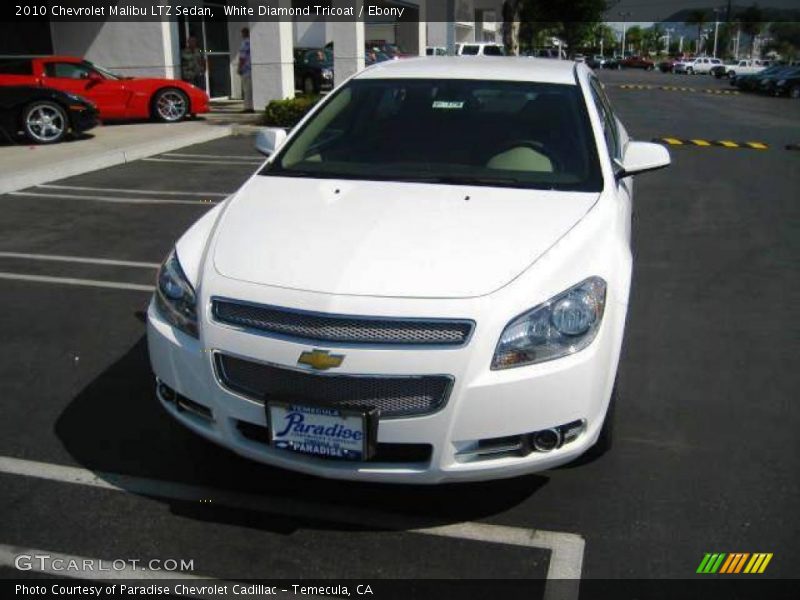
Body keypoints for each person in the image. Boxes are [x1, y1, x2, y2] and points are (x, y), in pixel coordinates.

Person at [238, 27, 253, 113]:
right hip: (251, 69)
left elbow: (242, 58)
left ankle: (247, 107)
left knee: (246, 90)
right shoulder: (252, 42)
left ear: (244, 33)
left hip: (246, 69)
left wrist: (239, 68)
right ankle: (251, 106)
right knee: (250, 89)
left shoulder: (244, 43)